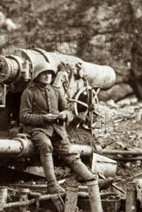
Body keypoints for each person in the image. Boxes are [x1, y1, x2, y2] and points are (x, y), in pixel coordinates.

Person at [19, 61, 97, 194]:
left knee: (68, 151)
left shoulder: (56, 91)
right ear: (37, 75)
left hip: (56, 128)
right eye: (44, 73)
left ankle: (91, 179)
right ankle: (52, 185)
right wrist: (43, 118)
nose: (47, 76)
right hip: (37, 129)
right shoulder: (29, 93)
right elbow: (23, 116)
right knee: (46, 145)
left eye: (49, 73)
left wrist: (65, 115)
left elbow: (68, 110)